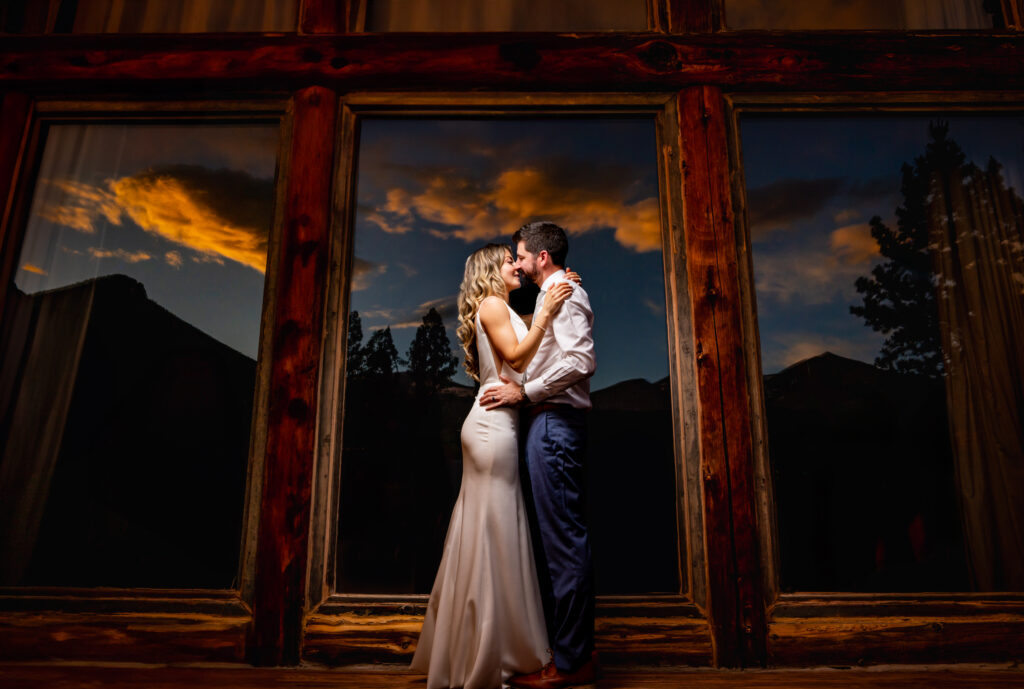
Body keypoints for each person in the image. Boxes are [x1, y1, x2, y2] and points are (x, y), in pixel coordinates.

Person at [411, 243, 576, 689]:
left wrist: (554, 290)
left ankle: (477, 646)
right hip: (492, 428)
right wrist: (544, 312)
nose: (514, 265)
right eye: (508, 260)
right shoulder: (492, 304)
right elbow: (519, 359)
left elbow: (527, 350)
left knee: (490, 529)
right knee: (495, 530)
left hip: (494, 425)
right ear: (490, 271)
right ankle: (488, 651)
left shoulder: (499, 308)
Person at [480, 222, 598, 689]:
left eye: (521, 255)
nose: (518, 263)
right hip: (546, 423)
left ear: (541, 258)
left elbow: (580, 361)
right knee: (557, 543)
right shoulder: (557, 290)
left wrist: (525, 392)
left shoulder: (564, 291)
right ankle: (568, 657)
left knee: (563, 544)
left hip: (552, 422)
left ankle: (571, 666)